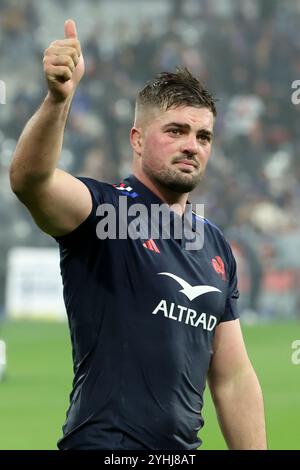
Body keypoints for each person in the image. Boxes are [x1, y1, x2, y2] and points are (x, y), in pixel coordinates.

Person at [10, 19, 267, 450]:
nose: (193, 145)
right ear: (137, 139)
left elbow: (233, 377)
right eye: (176, 131)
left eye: (203, 136)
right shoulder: (104, 211)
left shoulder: (215, 244)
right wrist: (58, 100)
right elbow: (30, 181)